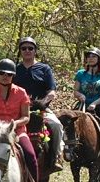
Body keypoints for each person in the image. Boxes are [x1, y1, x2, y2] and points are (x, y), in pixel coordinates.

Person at [13, 36, 63, 172]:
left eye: (30, 48)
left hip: (41, 109)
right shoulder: (15, 70)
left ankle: (56, 157)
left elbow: (52, 91)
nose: (27, 51)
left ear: (35, 51)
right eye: (24, 48)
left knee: (56, 125)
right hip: (19, 110)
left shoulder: (44, 69)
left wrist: (42, 103)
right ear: (20, 51)